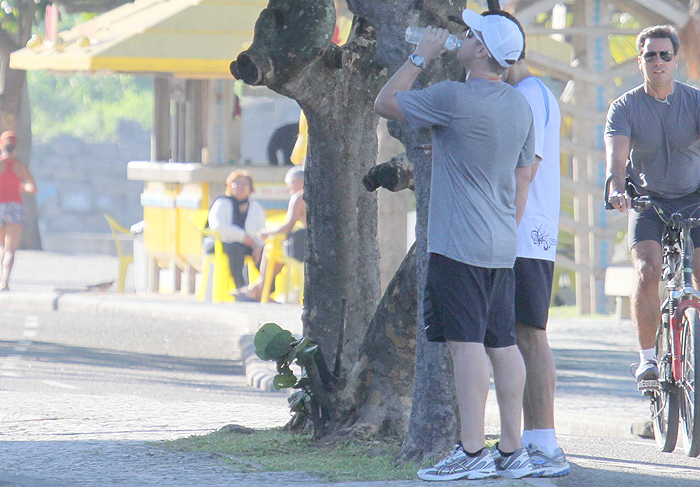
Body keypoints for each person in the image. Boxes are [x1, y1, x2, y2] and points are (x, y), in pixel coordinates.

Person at [374, 9, 535, 481]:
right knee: (503, 345)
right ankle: (512, 449)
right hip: (501, 245)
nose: (460, 38)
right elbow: (523, 174)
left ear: (482, 50)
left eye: (469, 34)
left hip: (457, 246)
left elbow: (385, 103)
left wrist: (419, 56)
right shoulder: (519, 105)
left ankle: (470, 453)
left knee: (466, 348)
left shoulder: (454, 97)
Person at [604, 25, 700, 390]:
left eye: (664, 55)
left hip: (695, 197)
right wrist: (616, 188)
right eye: (650, 56)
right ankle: (647, 360)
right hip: (648, 200)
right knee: (647, 270)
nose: (657, 62)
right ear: (639, 62)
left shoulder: (694, 102)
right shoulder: (624, 107)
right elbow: (616, 161)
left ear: (676, 61)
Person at [502, 59, 569, 476]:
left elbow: (526, 170)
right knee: (519, 334)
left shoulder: (531, 95)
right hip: (521, 232)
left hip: (525, 234)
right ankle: (531, 441)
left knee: (529, 335)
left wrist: (506, 228)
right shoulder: (525, 94)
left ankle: (545, 443)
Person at [233, 166, 306, 302]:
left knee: (272, 247)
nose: (290, 190)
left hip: (304, 247)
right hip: (311, 243)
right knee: (277, 248)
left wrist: (267, 233)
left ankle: (259, 290)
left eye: (290, 186)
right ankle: (259, 288)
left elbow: (287, 227)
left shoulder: (299, 197)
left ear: (296, 181)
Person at [207, 170, 266, 289]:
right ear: (230, 186)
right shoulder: (222, 202)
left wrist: (258, 246)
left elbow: (261, 230)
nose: (240, 186)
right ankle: (239, 287)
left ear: (250, 187)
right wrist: (242, 237)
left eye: (244, 183)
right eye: (236, 183)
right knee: (236, 249)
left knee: (267, 253)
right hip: (222, 244)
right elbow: (218, 226)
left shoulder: (255, 207)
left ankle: (265, 289)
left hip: (250, 244)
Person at [0, 131, 37, 292]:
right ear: (15, 147)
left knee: (1, 247)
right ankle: (5, 280)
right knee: (10, 250)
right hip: (14, 208)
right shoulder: (20, 167)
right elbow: (33, 188)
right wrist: (20, 187)